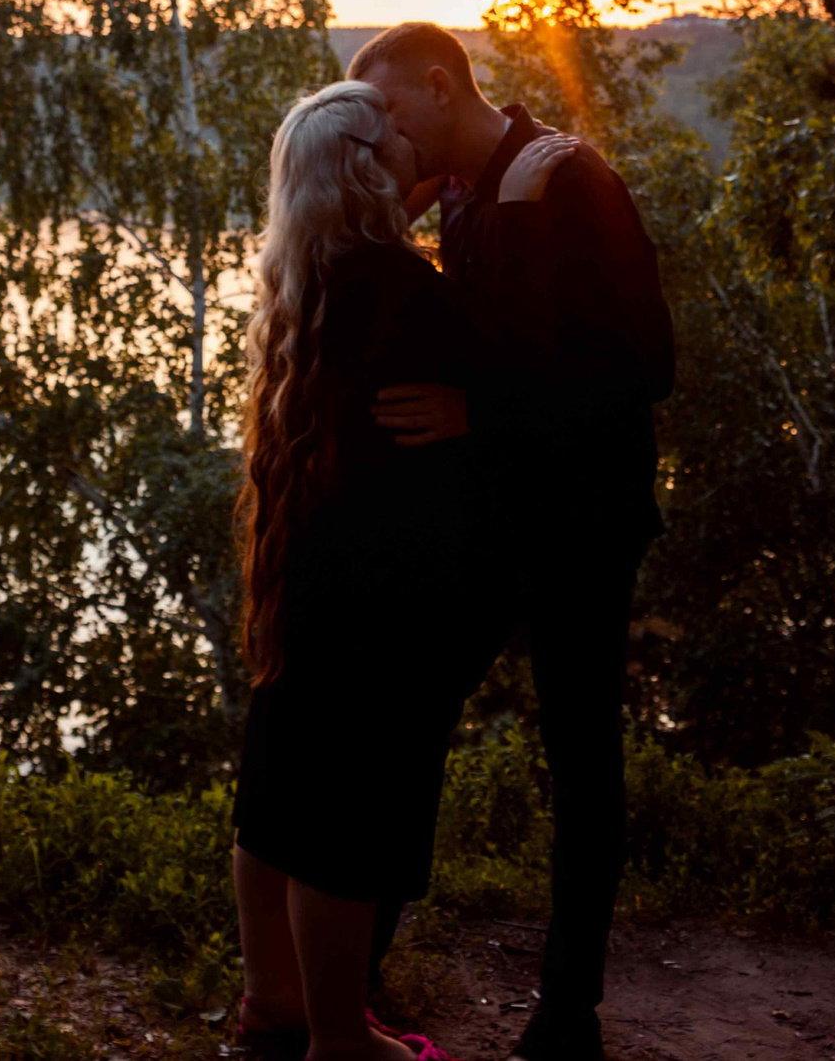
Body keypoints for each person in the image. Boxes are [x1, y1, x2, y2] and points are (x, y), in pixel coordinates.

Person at [230, 78, 579, 1061]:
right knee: (345, 820)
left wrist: (395, 195)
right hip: (384, 599)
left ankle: (275, 1005)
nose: (420, 156)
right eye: (398, 148)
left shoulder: (311, 274)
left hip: (312, 582)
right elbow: (524, 365)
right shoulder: (403, 297)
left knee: (281, 788)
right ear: (366, 173)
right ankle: (341, 1042)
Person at [348, 21, 676, 1061]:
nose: (385, 142)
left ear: (440, 87)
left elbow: (643, 367)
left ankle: (565, 1013)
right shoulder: (456, 192)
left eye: (392, 117)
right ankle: (351, 980)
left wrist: (481, 414)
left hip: (582, 521)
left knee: (579, 755)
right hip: (491, 517)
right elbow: (488, 334)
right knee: (403, 723)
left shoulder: (567, 178)